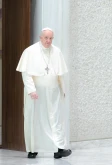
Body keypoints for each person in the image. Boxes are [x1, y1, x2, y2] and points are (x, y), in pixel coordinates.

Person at [16, 27, 72, 159]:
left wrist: (63, 90)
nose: (48, 41)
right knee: (34, 119)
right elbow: (26, 73)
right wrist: (31, 90)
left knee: (55, 119)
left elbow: (60, 74)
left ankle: (59, 149)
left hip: (53, 93)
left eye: (51, 38)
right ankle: (32, 150)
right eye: (46, 38)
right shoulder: (30, 51)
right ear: (40, 38)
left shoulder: (56, 51)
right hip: (36, 94)